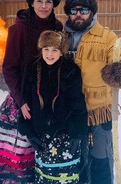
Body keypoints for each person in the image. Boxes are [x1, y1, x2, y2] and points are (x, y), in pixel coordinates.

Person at [0, 0, 63, 184]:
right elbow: (9, 68)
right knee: (18, 149)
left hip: (49, 98)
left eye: (48, 1)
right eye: (39, 0)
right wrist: (21, 100)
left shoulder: (58, 28)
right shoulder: (19, 30)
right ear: (31, 2)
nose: (43, 6)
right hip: (23, 99)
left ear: (53, 4)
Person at [63, 0, 121, 184]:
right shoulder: (60, 38)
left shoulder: (107, 38)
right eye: (74, 10)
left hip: (98, 112)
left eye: (84, 10)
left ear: (92, 12)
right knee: (73, 162)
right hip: (68, 112)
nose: (78, 14)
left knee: (101, 160)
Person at [18, 30, 88, 183]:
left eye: (55, 50)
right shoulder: (32, 69)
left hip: (66, 133)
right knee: (45, 174)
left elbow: (78, 102)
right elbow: (26, 102)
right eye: (46, 49)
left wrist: (77, 133)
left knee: (65, 175)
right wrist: (29, 131)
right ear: (41, 50)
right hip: (41, 133)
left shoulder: (71, 70)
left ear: (62, 52)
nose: (50, 54)